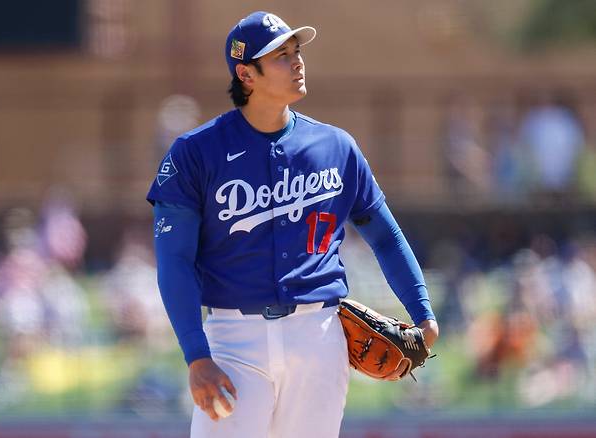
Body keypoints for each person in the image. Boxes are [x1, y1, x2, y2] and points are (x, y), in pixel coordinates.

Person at [146, 11, 439, 438]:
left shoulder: (336, 147)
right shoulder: (195, 153)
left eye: (296, 51)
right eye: (281, 56)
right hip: (233, 338)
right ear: (246, 73)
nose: (297, 62)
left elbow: (385, 236)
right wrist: (196, 355)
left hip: (317, 334)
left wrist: (421, 310)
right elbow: (174, 261)